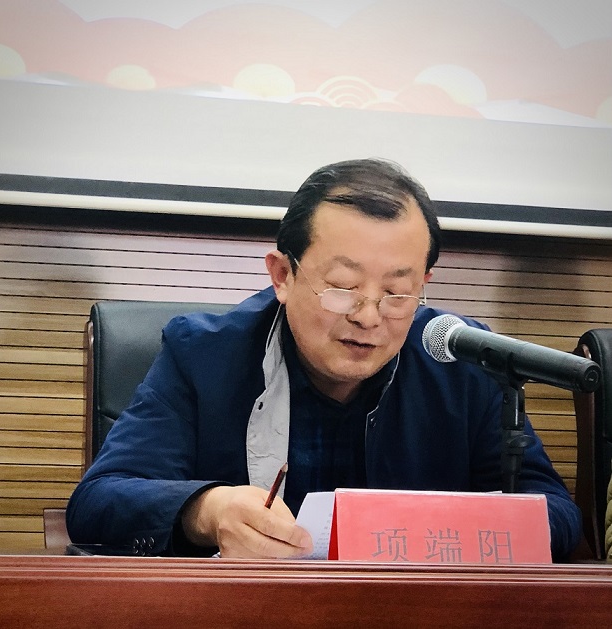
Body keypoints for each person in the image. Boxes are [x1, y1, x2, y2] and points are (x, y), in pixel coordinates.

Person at [66, 158, 581, 561]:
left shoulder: (462, 360)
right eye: (343, 286)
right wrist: (207, 510)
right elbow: (99, 500)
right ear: (282, 276)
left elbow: (557, 513)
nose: (368, 316)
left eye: (397, 292)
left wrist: (453, 526)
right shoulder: (204, 355)